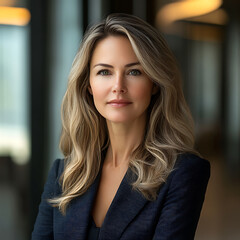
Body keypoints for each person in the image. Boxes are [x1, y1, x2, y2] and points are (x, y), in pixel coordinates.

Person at [32, 13, 210, 240]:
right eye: (104, 72)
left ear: (154, 83)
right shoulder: (64, 174)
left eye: (134, 72)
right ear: (88, 84)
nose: (118, 86)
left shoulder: (182, 173)